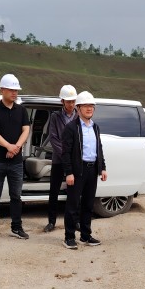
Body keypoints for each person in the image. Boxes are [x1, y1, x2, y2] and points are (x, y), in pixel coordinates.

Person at [0, 73, 31, 241]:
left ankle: (17, 227)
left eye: (16, 90)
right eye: (11, 90)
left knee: (16, 196)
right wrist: (8, 146)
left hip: (16, 161)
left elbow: (26, 130)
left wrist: (16, 147)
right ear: (2, 90)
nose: (14, 93)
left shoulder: (21, 110)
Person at [61, 91, 107, 249]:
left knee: (88, 205)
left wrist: (103, 168)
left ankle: (85, 236)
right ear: (78, 108)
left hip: (92, 170)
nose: (89, 108)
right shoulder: (71, 128)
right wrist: (69, 172)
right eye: (85, 106)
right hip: (77, 171)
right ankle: (69, 237)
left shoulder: (95, 127)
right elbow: (65, 153)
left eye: (91, 106)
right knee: (72, 205)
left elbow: (99, 148)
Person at [43, 85, 78, 232]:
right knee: (54, 191)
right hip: (59, 159)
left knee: (74, 192)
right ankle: (51, 222)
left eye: (73, 101)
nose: (71, 104)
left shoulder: (79, 116)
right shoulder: (55, 117)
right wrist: (65, 155)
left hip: (74, 160)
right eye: (68, 101)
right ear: (62, 101)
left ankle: (74, 221)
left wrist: (72, 156)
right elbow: (53, 137)